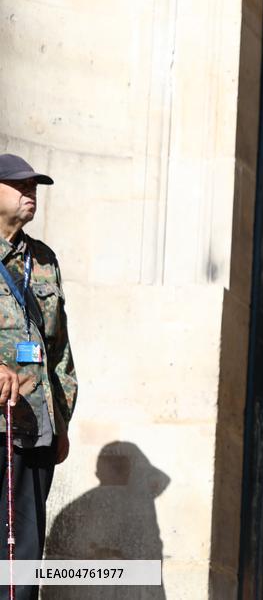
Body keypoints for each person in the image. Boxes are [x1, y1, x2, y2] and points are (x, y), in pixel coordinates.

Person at [0, 153, 77, 600]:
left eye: (34, 185)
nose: (30, 191)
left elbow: (58, 349)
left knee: (23, 559)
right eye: (19, 184)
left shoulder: (43, 259)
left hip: (33, 432)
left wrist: (61, 421)